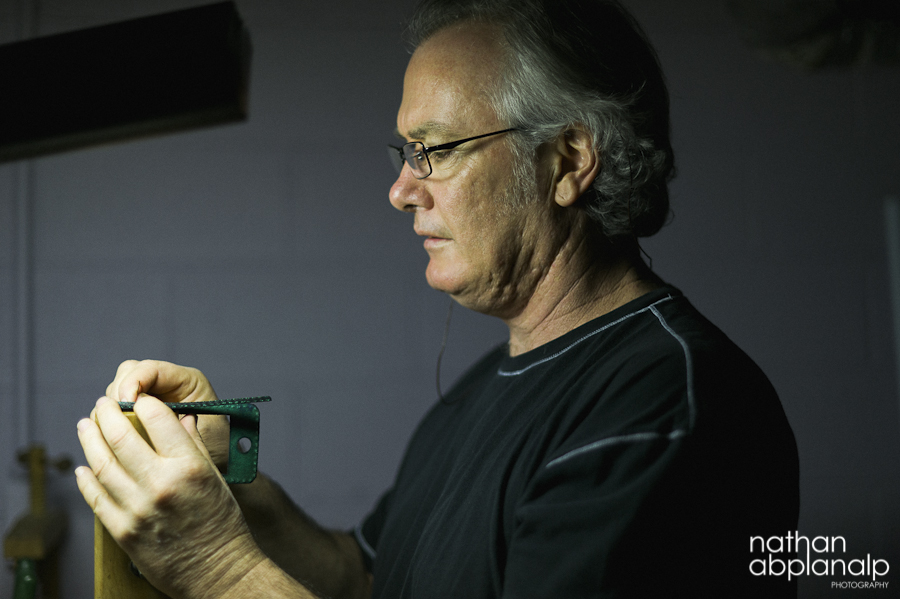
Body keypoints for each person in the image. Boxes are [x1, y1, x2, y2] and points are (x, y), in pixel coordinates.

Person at [76, 0, 799, 597]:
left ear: (568, 162)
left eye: (439, 148)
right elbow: (361, 577)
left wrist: (218, 567)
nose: (400, 191)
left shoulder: (663, 406)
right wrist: (230, 469)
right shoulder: (491, 383)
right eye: (405, 151)